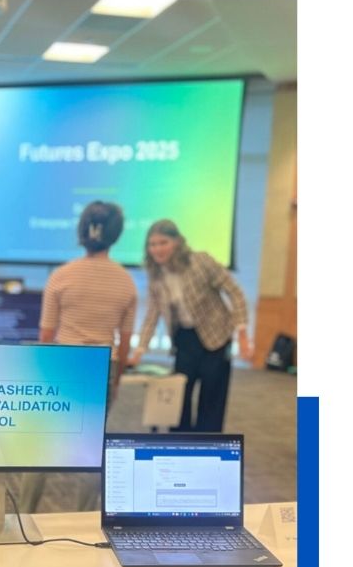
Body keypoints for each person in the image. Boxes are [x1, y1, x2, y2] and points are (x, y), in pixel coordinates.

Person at [20, 201, 137, 512]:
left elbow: (46, 336)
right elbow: (124, 342)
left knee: (42, 444)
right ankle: (83, 517)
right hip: (103, 366)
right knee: (91, 446)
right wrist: (117, 379)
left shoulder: (61, 275)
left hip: (63, 363)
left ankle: (25, 515)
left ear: (82, 231)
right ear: (116, 234)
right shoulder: (126, 282)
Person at [129, 218, 253, 432]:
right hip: (184, 340)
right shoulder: (156, 275)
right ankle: (181, 445)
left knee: (212, 400)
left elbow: (235, 293)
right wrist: (140, 349)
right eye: (152, 244)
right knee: (180, 398)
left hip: (215, 338)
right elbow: (152, 313)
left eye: (163, 242)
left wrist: (242, 334)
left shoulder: (201, 261)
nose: (157, 249)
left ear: (177, 242)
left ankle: (207, 447)